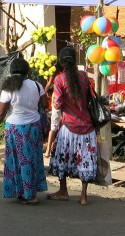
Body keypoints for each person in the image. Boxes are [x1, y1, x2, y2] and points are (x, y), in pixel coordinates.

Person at [0, 58, 48, 205]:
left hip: (14, 128)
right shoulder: (36, 86)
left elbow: (1, 112)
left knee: (16, 161)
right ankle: (30, 192)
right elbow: (45, 104)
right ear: (27, 71)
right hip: (33, 128)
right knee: (31, 160)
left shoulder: (8, 87)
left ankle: (26, 194)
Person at [48, 47, 97, 205]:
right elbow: (91, 98)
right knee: (86, 161)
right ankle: (83, 196)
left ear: (61, 62)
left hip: (68, 127)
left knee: (61, 157)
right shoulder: (84, 76)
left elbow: (56, 104)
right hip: (87, 128)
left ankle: (63, 191)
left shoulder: (59, 80)